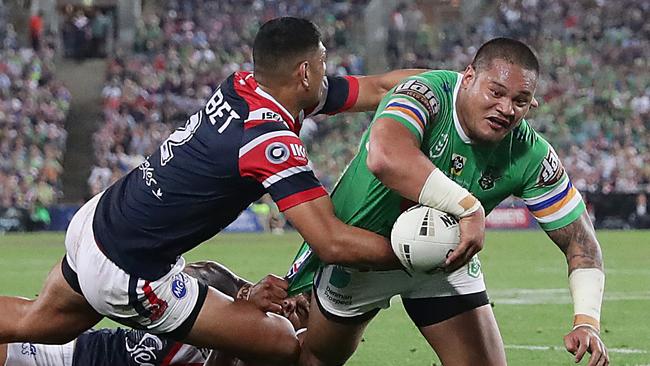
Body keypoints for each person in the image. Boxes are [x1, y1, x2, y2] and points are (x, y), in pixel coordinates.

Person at [0, 16, 424, 365]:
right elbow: (332, 242)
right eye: (323, 63)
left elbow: (382, 88)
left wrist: (455, 86)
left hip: (98, 223)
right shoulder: (267, 140)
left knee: (39, 322)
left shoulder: (243, 84)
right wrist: (416, 254)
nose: (327, 72)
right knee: (284, 346)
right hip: (130, 271)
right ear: (306, 72)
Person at [289, 37, 609, 366]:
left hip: (445, 260)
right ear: (468, 77)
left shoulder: (529, 152)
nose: (506, 109)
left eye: (520, 100)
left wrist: (587, 320)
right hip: (361, 255)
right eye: (496, 92)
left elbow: (581, 242)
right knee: (318, 359)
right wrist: (468, 208)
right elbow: (385, 156)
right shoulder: (428, 93)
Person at [0, 261, 311, 366]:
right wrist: (242, 300)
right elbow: (187, 278)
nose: (289, 306)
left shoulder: (267, 351)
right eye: (295, 298)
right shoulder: (219, 285)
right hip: (67, 353)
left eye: (298, 312)